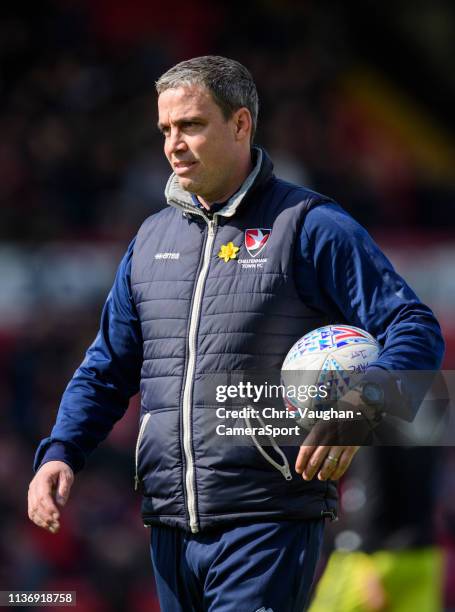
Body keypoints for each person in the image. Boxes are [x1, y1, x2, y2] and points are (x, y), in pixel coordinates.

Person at [28, 56, 444, 611]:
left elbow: (414, 328)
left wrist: (360, 410)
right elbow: (106, 368)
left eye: (191, 125)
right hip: (169, 524)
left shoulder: (311, 225)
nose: (174, 143)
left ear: (241, 124)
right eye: (166, 129)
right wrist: (61, 452)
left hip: (267, 522)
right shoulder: (150, 240)